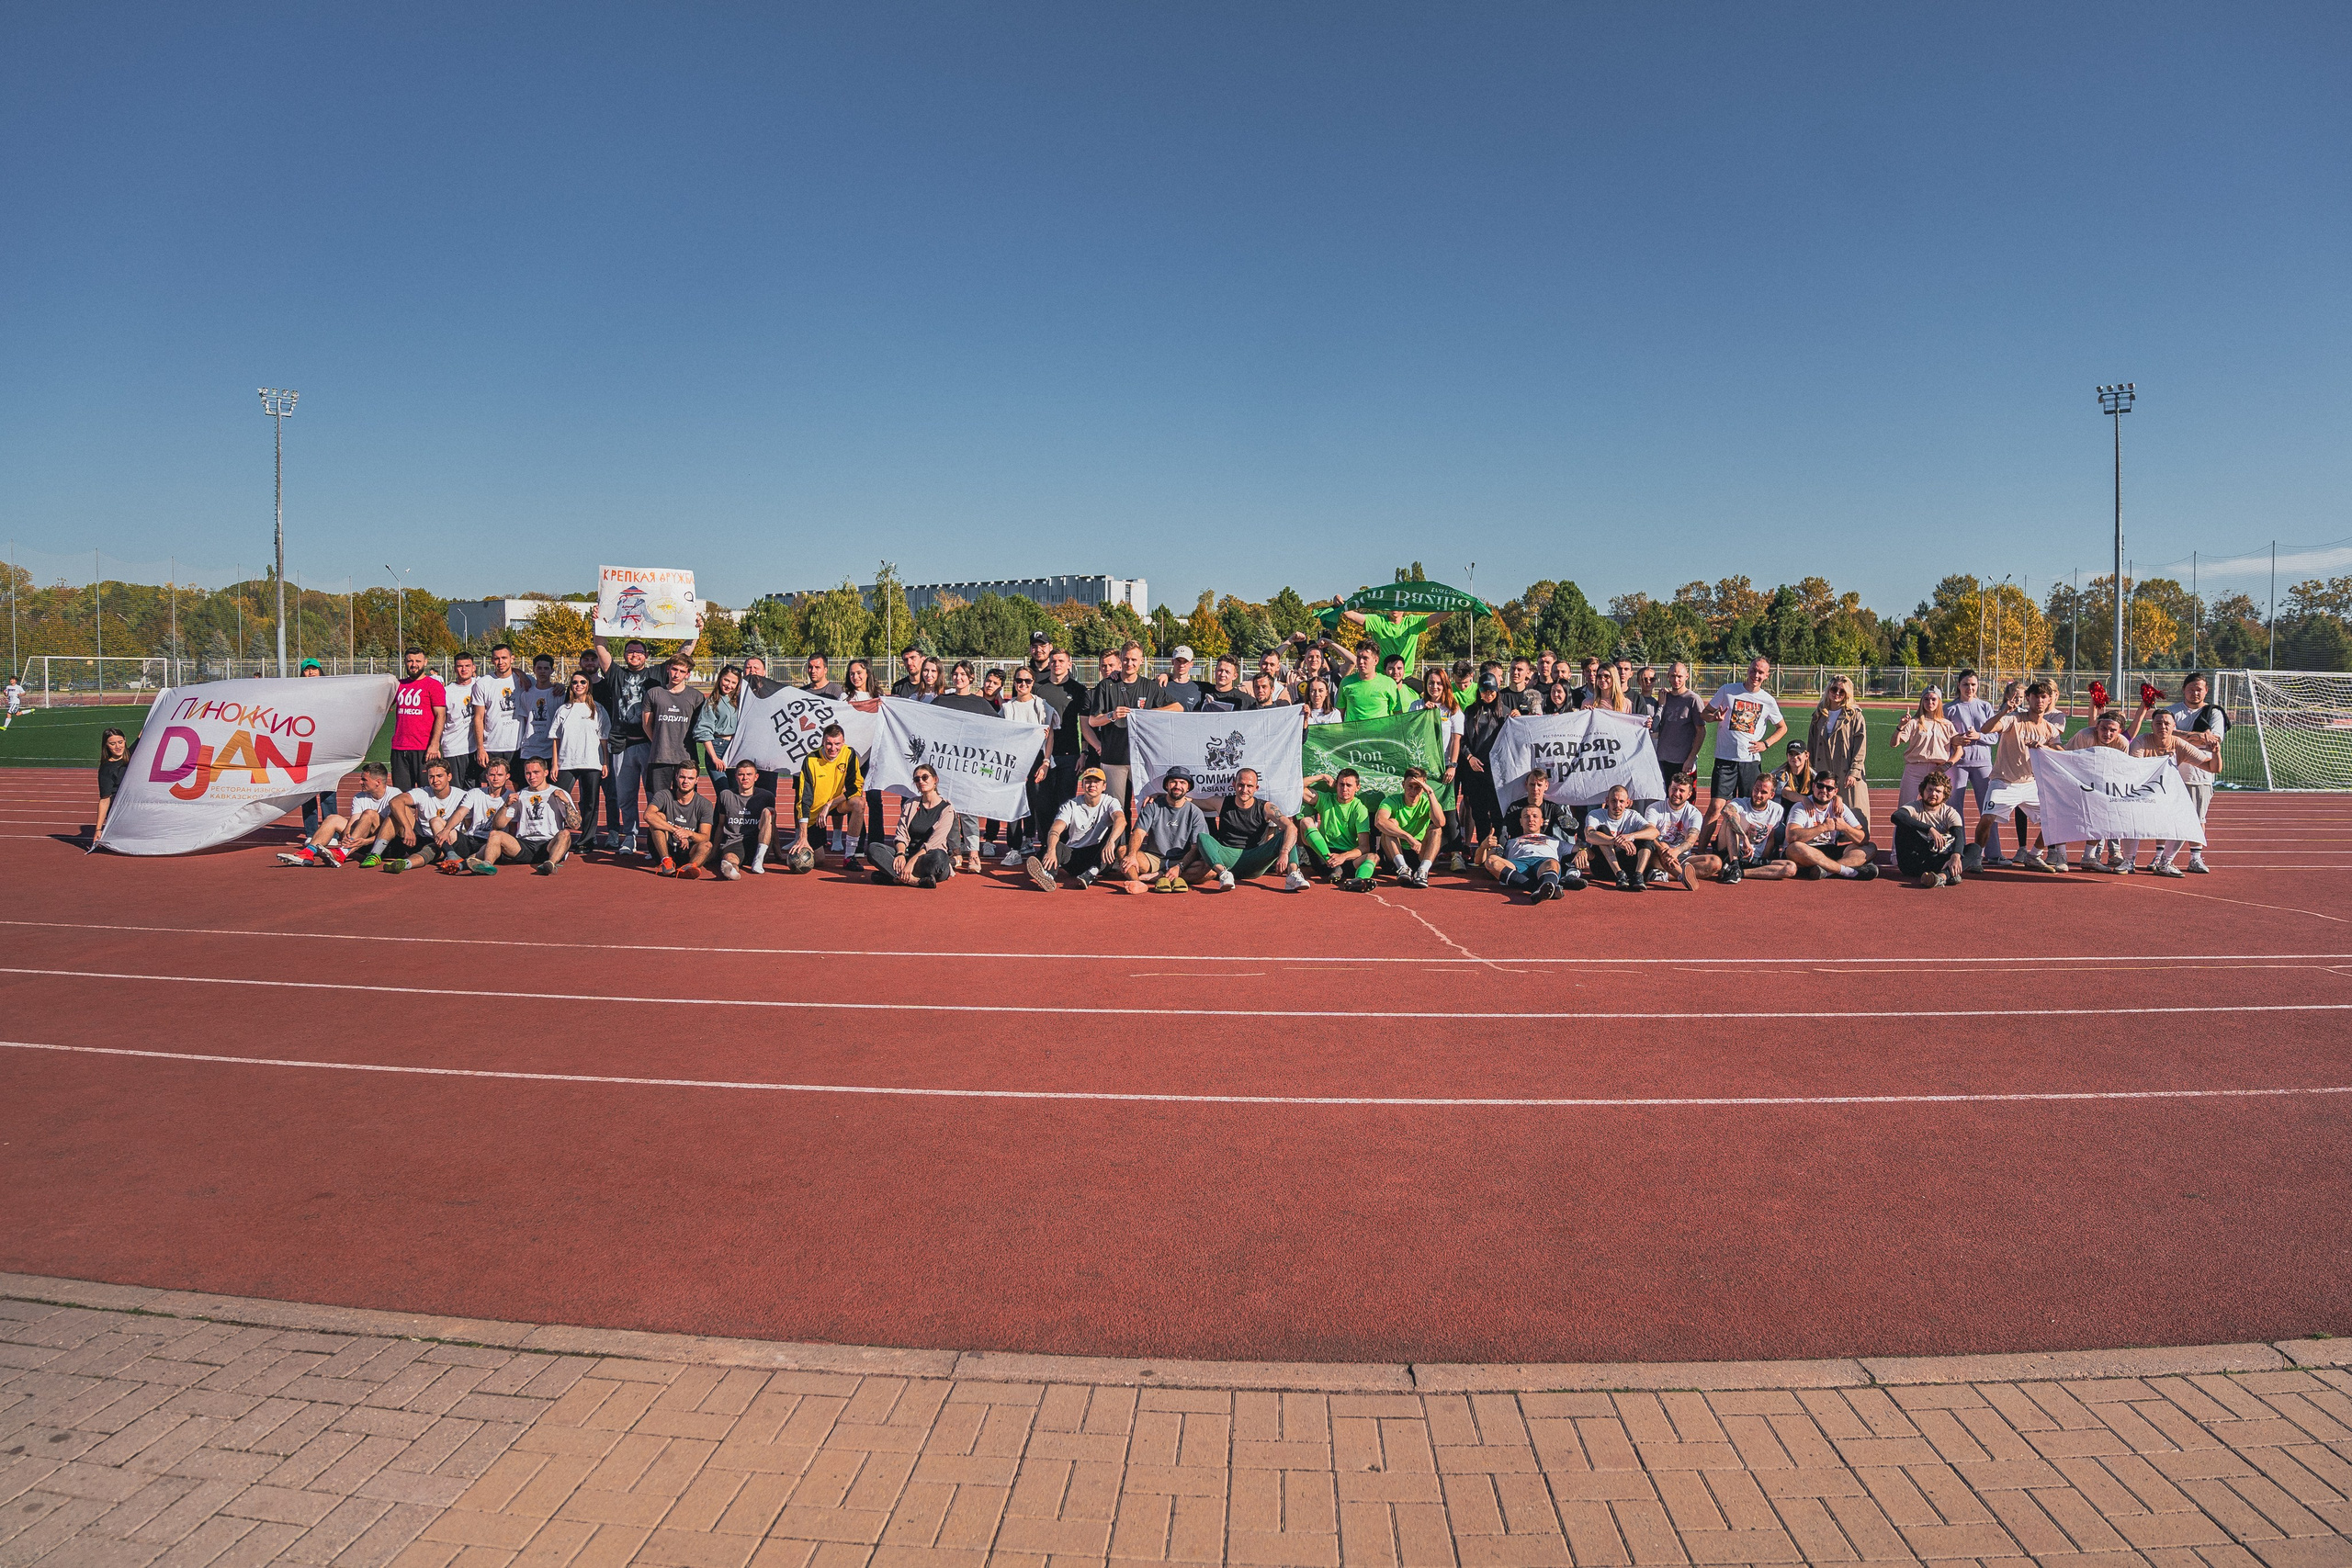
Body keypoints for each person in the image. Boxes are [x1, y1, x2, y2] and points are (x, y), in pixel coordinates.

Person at [592, 628, 694, 854]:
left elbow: (683, 654)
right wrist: (597, 625)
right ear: (624, 655)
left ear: (646, 655)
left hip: (651, 744)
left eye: (639, 652)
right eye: (630, 651)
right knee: (625, 796)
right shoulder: (616, 674)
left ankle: (655, 840)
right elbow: (601, 649)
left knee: (654, 797)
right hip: (622, 744)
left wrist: (694, 631)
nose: (634, 655)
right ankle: (630, 836)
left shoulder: (657, 673)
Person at [1979, 681, 2066, 872]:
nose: (2039, 701)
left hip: (2030, 783)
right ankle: (1975, 857)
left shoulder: (2050, 729)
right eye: (2035, 696)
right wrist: (2002, 712)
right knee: (1987, 819)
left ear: (2050, 700)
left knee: (2057, 818)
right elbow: (1985, 729)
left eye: (2044, 697)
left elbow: (2060, 752)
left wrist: (2045, 748)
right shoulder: (2014, 719)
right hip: (2004, 781)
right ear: (2028, 698)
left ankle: (2034, 855)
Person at [2126, 707, 2224, 876]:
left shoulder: (2179, 744)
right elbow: (2136, 769)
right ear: (2152, 726)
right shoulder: (2141, 741)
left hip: (2166, 792)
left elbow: (2212, 767)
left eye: (2166, 723)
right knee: (2132, 819)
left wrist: (2216, 753)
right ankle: (2128, 861)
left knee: (2185, 820)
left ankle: (2165, 862)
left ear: (2174, 726)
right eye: (2158, 723)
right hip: (2143, 792)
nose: (2162, 727)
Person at [1194, 767, 1307, 892]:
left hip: (1255, 859)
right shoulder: (1221, 802)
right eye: (1240, 785)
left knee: (1287, 834)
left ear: (1256, 788)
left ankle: (1293, 875)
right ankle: (1223, 874)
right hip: (1227, 858)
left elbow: (1291, 827)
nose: (1244, 790)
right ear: (1234, 785)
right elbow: (1192, 802)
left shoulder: (1266, 807)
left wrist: (1284, 853)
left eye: (1249, 786)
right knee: (1202, 837)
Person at [2155, 671, 2224, 874]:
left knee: (2198, 817)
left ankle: (2195, 858)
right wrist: (2198, 736)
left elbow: (2214, 740)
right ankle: (2158, 856)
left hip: (2200, 773)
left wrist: (2179, 736)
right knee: (2165, 816)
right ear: (2183, 690)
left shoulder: (2214, 713)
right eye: (2191, 689)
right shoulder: (2171, 711)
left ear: (2206, 691)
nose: (2195, 693)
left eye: (2199, 689)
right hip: (2171, 771)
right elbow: (2163, 735)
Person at [932, 661, 998, 871]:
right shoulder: (942, 701)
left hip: (969, 766)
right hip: (946, 766)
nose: (958, 678)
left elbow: (1001, 729)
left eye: (963, 674)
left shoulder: (981, 704)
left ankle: (974, 854)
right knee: (949, 811)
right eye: (955, 674)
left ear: (971, 678)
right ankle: (956, 852)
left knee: (969, 811)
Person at [471, 755, 580, 875]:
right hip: (525, 845)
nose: (532, 777)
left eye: (536, 772)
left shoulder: (558, 793)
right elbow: (498, 825)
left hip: (549, 844)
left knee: (565, 834)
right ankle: (487, 865)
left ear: (545, 773)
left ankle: (550, 864)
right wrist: (505, 806)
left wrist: (567, 802)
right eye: (528, 773)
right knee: (494, 834)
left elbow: (575, 825)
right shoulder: (520, 795)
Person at [278, 761, 396, 867]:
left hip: (384, 845)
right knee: (333, 818)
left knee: (369, 814)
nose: (360, 782)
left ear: (378, 782)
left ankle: (343, 852)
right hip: (358, 842)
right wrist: (346, 837)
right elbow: (352, 822)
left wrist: (365, 841)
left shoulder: (394, 796)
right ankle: (308, 853)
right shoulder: (359, 797)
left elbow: (394, 830)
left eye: (364, 779)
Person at [996, 667, 1058, 863]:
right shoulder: (1008, 708)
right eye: (1019, 681)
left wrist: (1046, 762)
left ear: (1033, 683)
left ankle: (1046, 848)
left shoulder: (1042, 706)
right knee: (1015, 805)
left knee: (1041, 806)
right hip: (1015, 760)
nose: (1023, 684)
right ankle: (1014, 849)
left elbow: (1050, 736)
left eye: (1027, 681)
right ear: (1014, 683)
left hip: (1038, 760)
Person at [1706, 658, 1787, 807]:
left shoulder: (1768, 700)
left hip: (1750, 761)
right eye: (1753, 670)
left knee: (1749, 807)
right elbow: (1705, 714)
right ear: (1748, 670)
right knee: (1716, 807)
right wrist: (1714, 717)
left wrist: (1765, 744)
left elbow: (1782, 727)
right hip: (1725, 759)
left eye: (1761, 672)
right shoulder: (1727, 690)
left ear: (1766, 675)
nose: (1756, 675)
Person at [1028, 765, 1125, 889]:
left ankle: (1091, 873)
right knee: (1056, 845)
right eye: (1088, 782)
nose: (1092, 785)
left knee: (1116, 829)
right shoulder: (1071, 805)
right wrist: (1051, 850)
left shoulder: (1110, 802)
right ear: (1082, 784)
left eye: (1096, 782)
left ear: (1104, 786)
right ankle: (1048, 876)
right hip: (1075, 856)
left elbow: (1121, 820)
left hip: (1100, 856)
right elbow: (1055, 829)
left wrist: (1110, 842)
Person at [1114, 766, 1208, 893]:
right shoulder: (1153, 806)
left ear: (1188, 787)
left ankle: (1159, 876)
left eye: (1182, 783)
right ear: (1166, 785)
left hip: (1182, 861)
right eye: (1173, 782)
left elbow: (1195, 848)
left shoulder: (1195, 812)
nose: (1177, 786)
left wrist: (1179, 867)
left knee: (1209, 869)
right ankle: (1137, 882)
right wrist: (1132, 855)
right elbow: (1139, 833)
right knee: (1123, 851)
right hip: (1154, 859)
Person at [787, 722, 869, 864]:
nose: (833, 748)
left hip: (835, 805)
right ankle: (802, 844)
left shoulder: (849, 753)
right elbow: (804, 799)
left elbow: (855, 788)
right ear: (823, 742)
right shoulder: (811, 760)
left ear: (843, 742)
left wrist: (830, 804)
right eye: (829, 744)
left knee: (859, 802)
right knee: (818, 860)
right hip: (815, 812)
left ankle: (849, 856)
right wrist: (802, 836)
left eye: (837, 744)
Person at [1944, 669, 2002, 865]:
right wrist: (1955, 739)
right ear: (1958, 685)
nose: (1970, 688)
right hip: (1958, 764)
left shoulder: (1985, 707)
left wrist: (1979, 736)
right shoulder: (1949, 708)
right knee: (1954, 809)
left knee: (1988, 809)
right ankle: (1957, 851)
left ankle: (1993, 853)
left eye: (1973, 684)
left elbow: (1994, 737)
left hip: (1983, 764)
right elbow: (1943, 735)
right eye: (1966, 684)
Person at [1493, 768, 1583, 893]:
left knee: (1567, 857)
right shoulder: (1515, 808)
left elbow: (1570, 830)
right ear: (1526, 785)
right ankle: (1539, 887)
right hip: (1519, 852)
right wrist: (1500, 850)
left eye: (1539, 785)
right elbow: (1504, 832)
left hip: (1544, 852)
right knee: (1492, 860)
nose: (1535, 789)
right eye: (1532, 784)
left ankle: (1566, 877)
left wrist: (1580, 844)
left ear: (1546, 786)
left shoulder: (1552, 807)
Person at [870, 763, 956, 886]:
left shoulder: (947, 808)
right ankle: (914, 880)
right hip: (908, 855)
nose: (921, 781)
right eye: (917, 779)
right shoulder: (910, 804)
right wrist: (900, 854)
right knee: (874, 849)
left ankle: (894, 876)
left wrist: (912, 862)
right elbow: (901, 834)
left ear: (935, 779)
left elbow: (934, 843)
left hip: (927, 858)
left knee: (939, 857)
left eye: (925, 777)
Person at [1783, 773, 1881, 881]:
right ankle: (1847, 871)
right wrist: (1823, 827)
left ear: (1835, 791)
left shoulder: (1839, 807)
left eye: (1829, 788)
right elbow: (1791, 836)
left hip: (1830, 849)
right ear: (1813, 786)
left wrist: (1845, 827)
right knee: (1795, 848)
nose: (1824, 790)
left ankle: (1827, 871)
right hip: (1808, 850)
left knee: (1870, 847)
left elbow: (1863, 839)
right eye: (1820, 786)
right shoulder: (1800, 807)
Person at [1459, 671, 1513, 858]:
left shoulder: (1505, 712)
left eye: (1491, 691)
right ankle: (1483, 849)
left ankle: (1500, 850)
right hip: (1475, 770)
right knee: (1479, 813)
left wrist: (1518, 717)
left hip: (1497, 773)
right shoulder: (1470, 711)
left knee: (1499, 814)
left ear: (1497, 690)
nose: (1488, 695)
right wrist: (1469, 757)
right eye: (1484, 691)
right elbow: (1462, 740)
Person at [640, 656, 705, 814]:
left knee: (685, 803)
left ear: (688, 674)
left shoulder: (696, 697)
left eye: (682, 671)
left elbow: (700, 727)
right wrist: (659, 742)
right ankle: (659, 832)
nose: (677, 674)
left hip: (687, 759)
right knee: (658, 804)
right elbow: (647, 724)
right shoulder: (654, 693)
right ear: (668, 669)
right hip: (659, 758)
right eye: (674, 669)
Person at [548, 671, 610, 832]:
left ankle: (588, 839)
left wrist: (605, 762)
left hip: (592, 761)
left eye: (583, 682)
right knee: (557, 798)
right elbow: (555, 738)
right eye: (575, 682)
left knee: (590, 803)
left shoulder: (598, 709)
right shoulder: (563, 710)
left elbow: (603, 739)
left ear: (588, 685)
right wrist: (555, 764)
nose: (579, 685)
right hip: (567, 762)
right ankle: (556, 835)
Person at [1082, 647, 1145, 806]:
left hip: (1124, 752)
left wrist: (1166, 675)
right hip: (1100, 751)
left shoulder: (1126, 687)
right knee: (1099, 801)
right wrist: (1098, 746)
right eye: (1103, 666)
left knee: (1127, 801)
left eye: (1111, 665)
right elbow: (1086, 725)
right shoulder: (1091, 693)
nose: (1107, 669)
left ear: (1119, 665)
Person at [382, 759, 469, 872]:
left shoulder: (463, 796)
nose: (435, 780)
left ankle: (405, 864)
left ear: (449, 777)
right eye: (431, 777)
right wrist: (407, 828)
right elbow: (395, 802)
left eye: (439, 776)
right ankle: (375, 853)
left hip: (450, 842)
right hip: (423, 839)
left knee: (432, 844)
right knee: (399, 810)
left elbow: (470, 824)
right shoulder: (422, 792)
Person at [1298, 768, 1377, 888]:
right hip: (1324, 857)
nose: (1344, 789)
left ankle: (1359, 881)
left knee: (1374, 857)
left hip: (1346, 860)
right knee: (1305, 821)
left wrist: (1343, 857)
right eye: (1341, 784)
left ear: (1357, 788)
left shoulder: (1360, 809)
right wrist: (1321, 776)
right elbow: (1297, 788)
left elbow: (1364, 847)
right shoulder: (1326, 799)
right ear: (1336, 785)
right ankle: (1333, 866)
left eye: (1349, 785)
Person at [1713, 772, 1797, 883]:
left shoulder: (1777, 810)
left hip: (1754, 857)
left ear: (1771, 795)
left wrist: (1763, 860)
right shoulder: (1741, 803)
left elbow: (1770, 838)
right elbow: (1726, 810)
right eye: (1756, 789)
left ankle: (1740, 872)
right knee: (1732, 818)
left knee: (1790, 868)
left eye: (1763, 792)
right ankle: (1734, 864)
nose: (1758, 794)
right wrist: (1744, 837)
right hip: (1732, 851)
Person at [432, 760, 510, 874]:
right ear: (486, 776)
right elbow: (460, 813)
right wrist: (446, 830)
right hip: (470, 839)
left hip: (491, 843)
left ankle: (461, 865)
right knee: (436, 821)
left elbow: (513, 827)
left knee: (493, 841)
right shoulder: (474, 793)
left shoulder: (511, 797)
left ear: (507, 776)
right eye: (492, 775)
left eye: (500, 775)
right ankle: (452, 855)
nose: (495, 778)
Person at [1809, 675, 1870, 822]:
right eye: (1834, 689)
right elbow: (1811, 744)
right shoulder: (1819, 714)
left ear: (1847, 694)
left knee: (1854, 816)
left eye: (1842, 691)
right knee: (1824, 816)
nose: (1837, 693)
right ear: (1828, 690)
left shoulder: (1855, 715)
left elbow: (1860, 746)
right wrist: (1811, 769)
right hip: (1824, 769)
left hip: (1847, 771)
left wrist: (1854, 772)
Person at [1373, 765, 1445, 887]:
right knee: (1391, 823)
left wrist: (1430, 793)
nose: (1413, 792)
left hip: (1419, 852)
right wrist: (1408, 837)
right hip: (1395, 853)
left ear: (1424, 788)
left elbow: (1440, 822)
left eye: (1418, 787)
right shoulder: (1392, 800)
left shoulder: (1428, 802)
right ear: (1403, 785)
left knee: (1436, 829)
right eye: (1410, 786)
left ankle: (1423, 871)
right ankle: (1402, 867)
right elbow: (1379, 821)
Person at [1892, 770, 1965, 887]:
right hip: (1913, 863)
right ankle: (1950, 875)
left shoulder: (1949, 813)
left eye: (1938, 791)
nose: (1933, 794)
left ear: (1944, 794)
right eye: (1929, 789)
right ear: (1923, 791)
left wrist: (1956, 856)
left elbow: (1958, 835)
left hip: (1937, 862)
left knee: (1974, 849)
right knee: (1903, 826)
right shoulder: (1915, 807)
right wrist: (1930, 829)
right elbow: (1896, 816)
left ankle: (1942, 877)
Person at [389, 649, 447, 793]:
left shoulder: (433, 685)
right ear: (405, 662)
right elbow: (383, 706)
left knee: (427, 795)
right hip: (399, 748)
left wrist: (434, 744)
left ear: (425, 662)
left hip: (424, 749)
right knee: (401, 795)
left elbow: (440, 716)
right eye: (410, 661)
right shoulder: (398, 685)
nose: (414, 664)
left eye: (418, 661)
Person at [1486, 802, 1569, 901]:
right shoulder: (1510, 841)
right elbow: (1485, 858)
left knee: (1552, 863)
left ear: (1542, 821)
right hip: (1517, 864)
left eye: (1535, 816)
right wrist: (1484, 846)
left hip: (1543, 862)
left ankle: (1545, 885)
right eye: (1526, 816)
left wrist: (1582, 850)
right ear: (1521, 822)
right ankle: (1538, 888)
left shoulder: (1555, 841)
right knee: (1491, 860)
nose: (1531, 819)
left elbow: (1580, 849)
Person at [645, 761, 716, 877]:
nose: (685, 781)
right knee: (659, 817)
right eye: (682, 777)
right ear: (676, 777)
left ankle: (690, 868)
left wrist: (689, 834)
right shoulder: (663, 795)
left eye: (690, 778)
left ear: (697, 780)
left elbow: (705, 836)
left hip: (688, 850)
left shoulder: (705, 804)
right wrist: (676, 831)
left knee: (707, 845)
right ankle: (666, 861)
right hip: (664, 847)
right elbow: (648, 815)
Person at [1582, 784, 1658, 891]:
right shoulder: (1595, 815)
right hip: (1603, 867)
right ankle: (1619, 874)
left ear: (1627, 803)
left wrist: (1631, 836)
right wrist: (1615, 841)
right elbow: (1589, 836)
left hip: (1628, 865)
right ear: (1607, 801)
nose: (1617, 805)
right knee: (1601, 831)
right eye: (1613, 801)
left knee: (1647, 838)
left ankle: (1638, 876)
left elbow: (1654, 832)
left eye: (1621, 801)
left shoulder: (1633, 815)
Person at [1894, 688, 1960, 808]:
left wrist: (1947, 765)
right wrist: (1900, 727)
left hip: (1937, 771)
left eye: (1934, 699)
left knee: (1936, 809)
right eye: (1926, 699)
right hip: (1914, 770)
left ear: (1939, 702)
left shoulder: (1947, 725)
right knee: (1906, 808)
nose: (1930, 702)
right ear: (1922, 702)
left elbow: (1959, 751)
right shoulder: (1914, 722)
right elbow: (1894, 743)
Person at [1643, 773, 1710, 890]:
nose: (1676, 794)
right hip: (1658, 855)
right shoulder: (1654, 808)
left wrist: (1676, 852)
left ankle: (1663, 876)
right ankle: (1682, 877)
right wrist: (1664, 850)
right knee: (1663, 847)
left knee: (1714, 862)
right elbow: (1649, 833)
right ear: (1669, 788)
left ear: (1689, 794)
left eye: (1681, 791)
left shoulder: (1694, 813)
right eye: (1674, 789)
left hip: (1682, 856)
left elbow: (1691, 840)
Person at [713, 760, 775, 879]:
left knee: (769, 812)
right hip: (734, 841)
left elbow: (772, 826)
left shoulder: (766, 796)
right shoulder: (725, 795)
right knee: (729, 858)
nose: (745, 778)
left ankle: (758, 859)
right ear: (736, 776)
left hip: (758, 841)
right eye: (741, 774)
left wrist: (778, 853)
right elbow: (720, 825)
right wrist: (714, 851)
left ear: (756, 777)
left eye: (749, 774)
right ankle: (732, 871)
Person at [1338, 603, 1443, 672]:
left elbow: (1439, 616)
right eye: (1390, 604)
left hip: (1405, 678)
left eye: (1399, 604)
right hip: (1382, 676)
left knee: (1424, 694)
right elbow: (1351, 615)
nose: (1394, 607)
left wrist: (1452, 607)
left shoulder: (1413, 623)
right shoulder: (1378, 622)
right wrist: (1340, 603)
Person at [471, 643, 523, 784]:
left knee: (520, 788)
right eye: (496, 658)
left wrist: (558, 687)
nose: (501, 662)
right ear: (492, 660)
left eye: (504, 658)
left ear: (512, 659)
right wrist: (480, 748)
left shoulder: (524, 680)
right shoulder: (483, 683)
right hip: (492, 746)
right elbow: (478, 718)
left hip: (517, 747)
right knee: (492, 787)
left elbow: (543, 687)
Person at [1653, 662, 1706, 782]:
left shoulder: (1693, 699)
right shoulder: (1664, 697)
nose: (1676, 680)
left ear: (1687, 676)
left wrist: (1691, 758)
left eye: (1679, 676)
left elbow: (1701, 731)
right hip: (1662, 758)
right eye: (1673, 676)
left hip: (1683, 761)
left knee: (1683, 793)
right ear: (1668, 676)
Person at [691, 664, 743, 782]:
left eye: (733, 683)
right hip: (717, 748)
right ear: (720, 678)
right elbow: (704, 731)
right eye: (726, 680)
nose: (729, 685)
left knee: (736, 789)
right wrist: (714, 758)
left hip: (735, 748)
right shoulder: (712, 702)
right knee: (723, 788)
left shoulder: (740, 701)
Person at [438, 651, 481, 789]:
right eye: (460, 666)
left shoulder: (480, 685)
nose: (464, 669)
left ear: (473, 667)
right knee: (454, 791)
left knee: (474, 790)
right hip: (453, 748)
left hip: (473, 749)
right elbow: (440, 719)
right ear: (455, 668)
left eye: (467, 666)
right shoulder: (447, 691)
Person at [1337, 643, 1406, 722]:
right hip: (1353, 730)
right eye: (1358, 657)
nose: (1361, 662)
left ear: (1376, 661)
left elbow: (1398, 715)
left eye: (1365, 658)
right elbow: (1338, 715)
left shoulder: (1389, 683)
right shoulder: (1346, 682)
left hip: (1381, 730)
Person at [95, 728, 130, 838]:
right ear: (106, 745)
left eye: (120, 742)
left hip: (136, 806)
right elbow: (105, 799)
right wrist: (98, 829)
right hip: (119, 810)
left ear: (125, 740)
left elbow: (144, 733)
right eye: (113, 744)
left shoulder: (132, 753)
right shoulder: (107, 769)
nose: (118, 746)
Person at [1153, 647, 1205, 711]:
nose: (1181, 665)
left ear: (1191, 664)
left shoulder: (1198, 689)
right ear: (1172, 662)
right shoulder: (1160, 683)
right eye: (1178, 661)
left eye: (1185, 661)